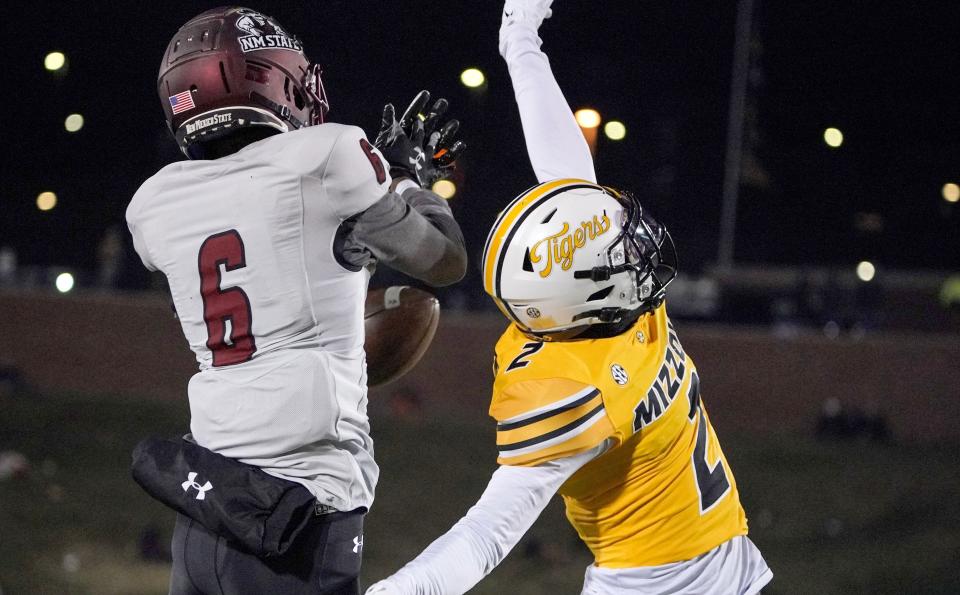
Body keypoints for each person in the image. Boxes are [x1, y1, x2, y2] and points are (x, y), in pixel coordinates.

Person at [365, 1, 772, 593]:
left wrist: (521, 40)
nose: (634, 247)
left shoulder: (583, 304)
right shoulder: (571, 384)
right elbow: (486, 535)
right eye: (617, 250)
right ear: (590, 289)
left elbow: (568, 171)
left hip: (726, 559)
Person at [125, 6, 466, 594]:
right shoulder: (327, 155)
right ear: (273, 78)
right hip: (299, 513)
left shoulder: (153, 204)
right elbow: (444, 260)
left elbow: (274, 244)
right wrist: (408, 180)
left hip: (206, 503)